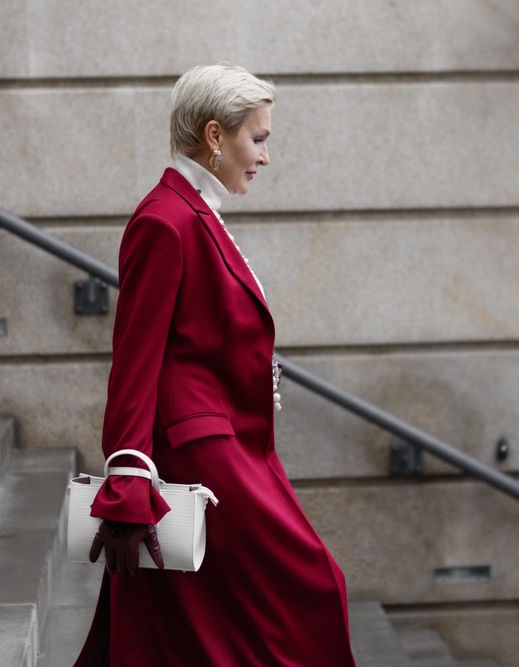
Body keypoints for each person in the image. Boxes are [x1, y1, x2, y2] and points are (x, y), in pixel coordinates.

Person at [74, 63, 357, 667]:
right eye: (259, 139)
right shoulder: (164, 220)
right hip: (205, 459)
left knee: (200, 632)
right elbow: (134, 362)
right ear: (214, 136)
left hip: (232, 448)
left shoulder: (196, 211)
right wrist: (128, 479)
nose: (265, 157)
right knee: (312, 588)